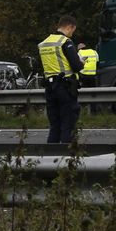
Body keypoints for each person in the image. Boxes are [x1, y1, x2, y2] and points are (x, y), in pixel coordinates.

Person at [38, 15, 85, 143]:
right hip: (65, 87)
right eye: (73, 30)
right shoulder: (65, 42)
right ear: (70, 27)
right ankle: (67, 155)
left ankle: (51, 156)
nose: (72, 34)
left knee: (55, 124)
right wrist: (82, 62)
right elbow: (76, 66)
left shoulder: (44, 43)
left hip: (50, 87)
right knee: (68, 123)